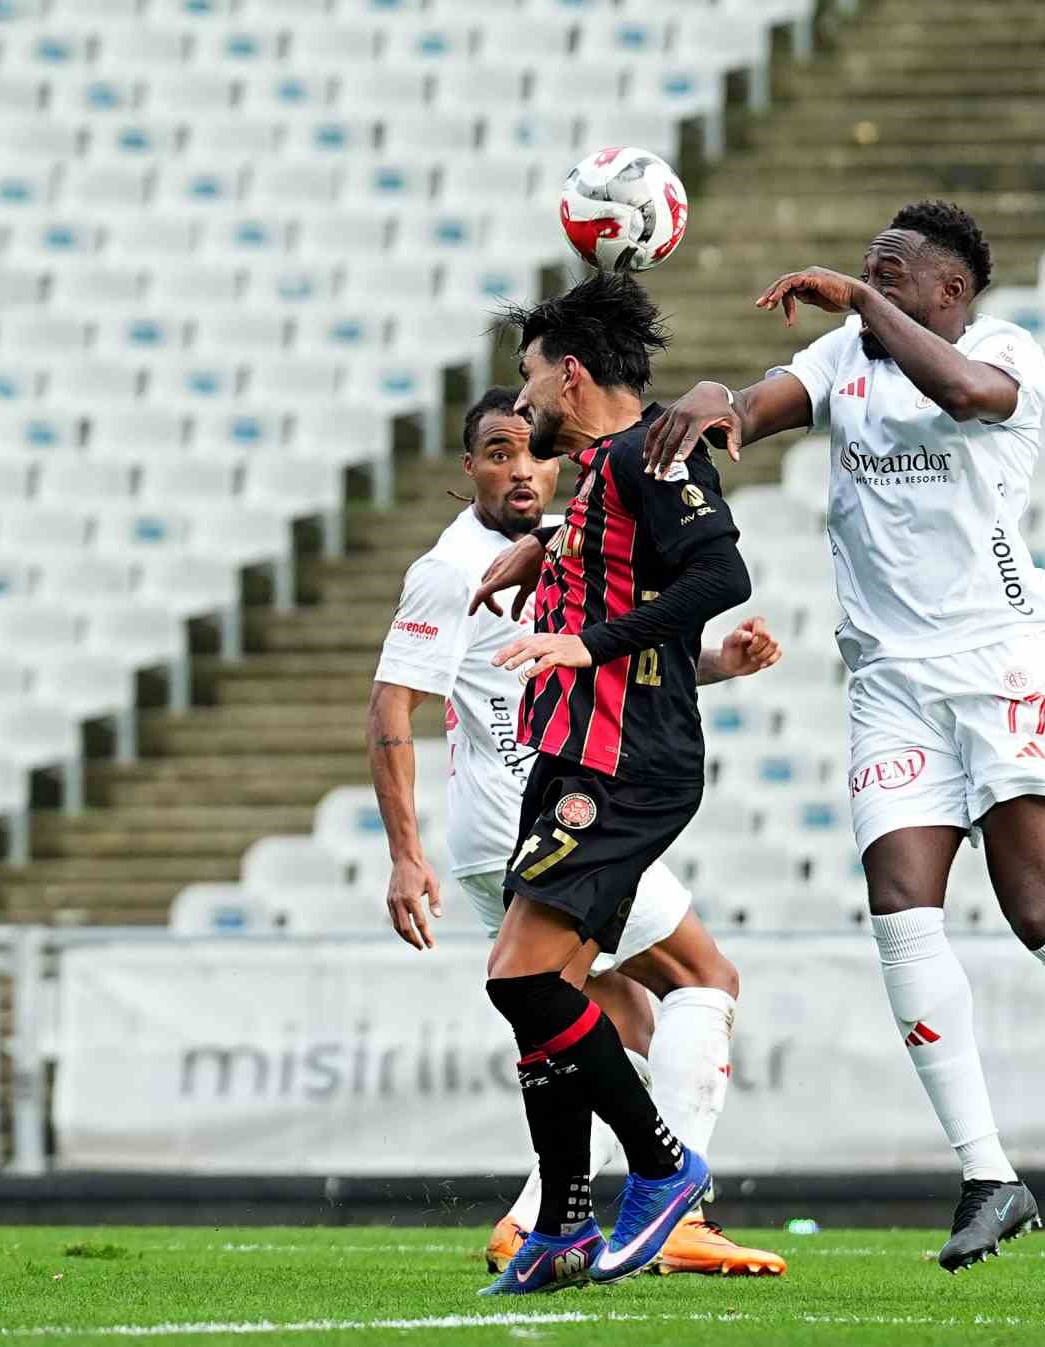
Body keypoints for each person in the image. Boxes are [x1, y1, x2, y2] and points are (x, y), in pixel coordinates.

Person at [640, 200, 1045, 1272]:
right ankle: (988, 1174)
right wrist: (711, 402)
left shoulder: (1003, 354)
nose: (869, 277)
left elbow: (968, 396)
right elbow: (752, 409)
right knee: (900, 912)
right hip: (889, 681)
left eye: (893, 269)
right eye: (868, 263)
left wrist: (859, 297)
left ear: (950, 291)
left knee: (1042, 914)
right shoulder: (844, 357)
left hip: (999, 662)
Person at [367, 384, 785, 1288]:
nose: (522, 468)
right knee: (699, 977)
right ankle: (674, 1201)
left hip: (547, 805)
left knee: (597, 1018)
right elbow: (391, 704)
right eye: (499, 451)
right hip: (544, 811)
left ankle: (550, 1221)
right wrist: (404, 852)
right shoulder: (450, 567)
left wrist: (717, 662)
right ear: (469, 467)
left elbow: (608, 658)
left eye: (532, 450)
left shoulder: (569, 542)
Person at [472, 271, 758, 1295]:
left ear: (572, 375)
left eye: (528, 378)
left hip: (623, 760)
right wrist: (543, 549)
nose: (522, 401)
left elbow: (720, 577)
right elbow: (623, 556)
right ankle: (561, 1226)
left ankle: (663, 1166)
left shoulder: (650, 452)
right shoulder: (601, 472)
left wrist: (583, 643)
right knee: (539, 996)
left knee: (521, 981)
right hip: (574, 755)